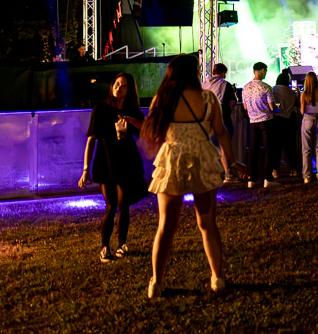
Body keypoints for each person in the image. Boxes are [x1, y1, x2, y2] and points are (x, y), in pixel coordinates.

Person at [141, 54, 243, 298]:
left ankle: (156, 282)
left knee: (166, 226)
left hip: (172, 159)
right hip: (202, 158)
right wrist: (232, 161)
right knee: (207, 222)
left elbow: (152, 133)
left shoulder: (163, 99)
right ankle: (217, 277)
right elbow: (221, 132)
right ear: (193, 73)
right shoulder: (208, 98)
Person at [78, 72, 149, 262]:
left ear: (129, 90)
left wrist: (130, 120)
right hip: (106, 161)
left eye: (123, 85)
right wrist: (85, 170)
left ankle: (122, 244)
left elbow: (145, 130)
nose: (118, 87)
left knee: (123, 204)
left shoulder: (132, 110)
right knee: (110, 206)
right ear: (112, 86)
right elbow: (91, 140)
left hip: (127, 161)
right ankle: (105, 247)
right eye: (116, 84)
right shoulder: (100, 109)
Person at [242, 62, 278, 188]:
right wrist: (277, 108)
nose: (265, 73)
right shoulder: (266, 87)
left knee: (253, 150)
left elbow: (245, 107)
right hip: (266, 121)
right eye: (265, 71)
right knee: (269, 149)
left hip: (253, 122)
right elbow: (272, 107)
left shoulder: (246, 87)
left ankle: (252, 179)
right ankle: (268, 178)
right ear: (262, 70)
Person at [299, 71, 318, 183]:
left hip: (308, 119)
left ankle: (307, 176)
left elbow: (302, 111)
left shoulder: (304, 94)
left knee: (306, 149)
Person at [272, 70, 301, 179]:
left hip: (276, 120)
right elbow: (297, 103)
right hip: (289, 121)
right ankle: (293, 169)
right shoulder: (290, 92)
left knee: (276, 146)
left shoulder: (273, 90)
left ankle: (275, 170)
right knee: (290, 146)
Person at [205, 63, 239, 147]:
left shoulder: (204, 83)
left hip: (207, 119)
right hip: (223, 118)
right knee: (225, 144)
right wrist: (234, 93)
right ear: (223, 72)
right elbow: (233, 102)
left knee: (212, 146)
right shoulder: (225, 84)